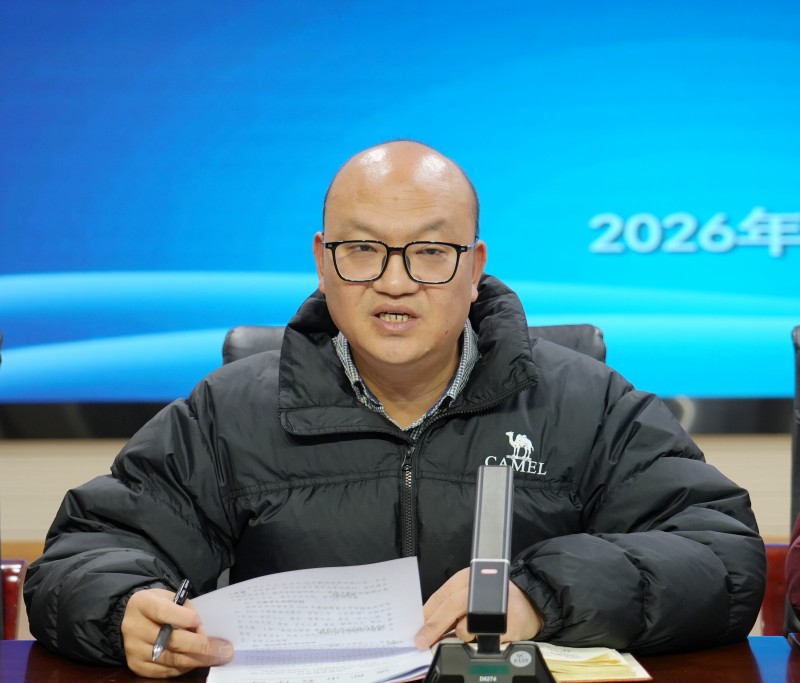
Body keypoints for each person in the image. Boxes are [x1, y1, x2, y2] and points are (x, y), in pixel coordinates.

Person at [24, 140, 766, 678]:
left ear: (474, 268)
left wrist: (541, 594)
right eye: (363, 250)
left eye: (431, 252)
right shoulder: (228, 412)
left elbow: (721, 557)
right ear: (324, 260)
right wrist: (124, 608)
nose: (395, 281)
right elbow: (84, 554)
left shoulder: (587, 401)